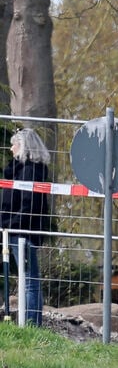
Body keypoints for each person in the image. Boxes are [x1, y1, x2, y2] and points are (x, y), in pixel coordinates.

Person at [0, 128, 52, 326]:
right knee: (30, 279)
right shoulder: (24, 170)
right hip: (19, 231)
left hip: (21, 232)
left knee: (29, 280)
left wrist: (9, 224)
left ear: (23, 146)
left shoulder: (28, 171)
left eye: (14, 144)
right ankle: (32, 323)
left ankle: (31, 324)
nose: (11, 148)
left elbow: (28, 203)